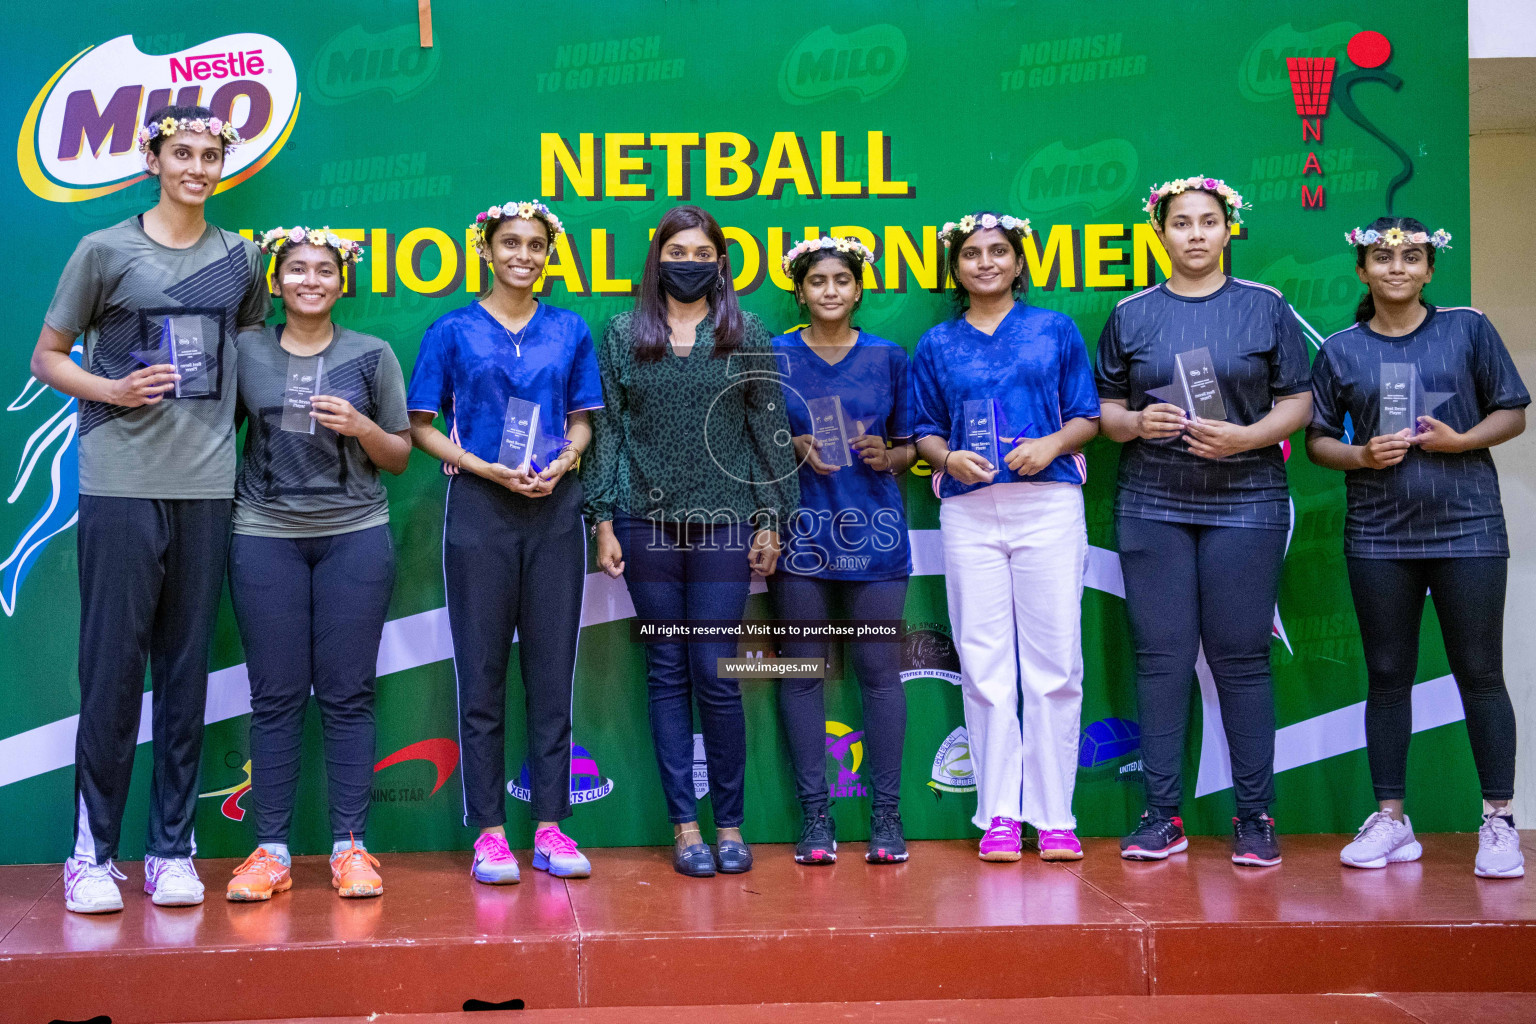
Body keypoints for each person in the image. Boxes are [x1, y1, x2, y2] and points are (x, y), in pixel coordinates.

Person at [32, 106, 270, 914]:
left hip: (207, 487)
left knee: (184, 674)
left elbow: (248, 353)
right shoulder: (104, 250)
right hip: (120, 483)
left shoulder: (242, 258)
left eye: (210, 155)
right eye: (182, 153)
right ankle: (91, 855)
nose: (197, 167)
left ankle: (172, 849)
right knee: (110, 673)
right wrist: (113, 389)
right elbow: (47, 355)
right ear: (154, 160)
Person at [1095, 176, 1312, 867]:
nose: (1195, 234)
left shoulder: (1265, 308)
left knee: (1241, 660)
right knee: (1160, 660)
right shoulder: (1131, 314)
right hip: (1151, 503)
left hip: (1246, 502)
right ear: (1160, 233)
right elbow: (1104, 412)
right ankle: (1162, 816)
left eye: (1208, 222)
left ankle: (1256, 818)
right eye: (1181, 222)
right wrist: (1134, 422)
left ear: (1228, 231)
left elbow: (1299, 401)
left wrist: (1247, 438)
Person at [1309, 218, 1527, 878]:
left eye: (1411, 256)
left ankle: (1499, 821)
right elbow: (1319, 440)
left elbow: (1513, 410)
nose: (1397, 266)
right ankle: (1392, 821)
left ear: (1430, 269)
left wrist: (1461, 441)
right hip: (1378, 535)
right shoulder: (1341, 350)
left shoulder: (1467, 328)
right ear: (1362, 270)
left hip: (1469, 531)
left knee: (1480, 673)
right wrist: (1359, 453)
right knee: (1386, 675)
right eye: (1382, 256)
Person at [584, 205, 798, 877]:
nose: (690, 263)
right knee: (668, 671)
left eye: (703, 254)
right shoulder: (622, 333)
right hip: (645, 525)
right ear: (657, 259)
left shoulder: (746, 332)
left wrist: (772, 520)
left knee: (715, 671)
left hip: (725, 525)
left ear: (721, 263)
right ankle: (685, 829)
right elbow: (611, 432)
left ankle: (730, 825)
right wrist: (603, 519)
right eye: (678, 251)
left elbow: (768, 433)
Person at [408, 201, 602, 884]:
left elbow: (583, 422)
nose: (524, 254)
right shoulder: (453, 329)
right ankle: (490, 832)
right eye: (510, 243)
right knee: (482, 674)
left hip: (554, 509)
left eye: (536, 245)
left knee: (552, 675)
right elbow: (421, 426)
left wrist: (566, 461)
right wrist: (485, 466)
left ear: (551, 254)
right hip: (479, 511)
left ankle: (550, 828)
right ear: (486, 249)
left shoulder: (569, 329)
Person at [223, 227, 410, 901]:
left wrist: (360, 427)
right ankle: (269, 851)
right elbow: (215, 436)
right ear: (275, 282)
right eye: (296, 269)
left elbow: (398, 454)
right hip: (263, 535)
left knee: (347, 694)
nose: (309, 280)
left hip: (355, 537)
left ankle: (350, 848)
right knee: (274, 697)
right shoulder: (245, 350)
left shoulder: (372, 353)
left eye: (323, 270)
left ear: (342, 282)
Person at [912, 212, 1100, 863]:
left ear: (1019, 262)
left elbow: (1088, 415)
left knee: (1055, 666)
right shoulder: (936, 344)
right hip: (969, 512)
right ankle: (998, 813)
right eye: (971, 253)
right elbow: (924, 428)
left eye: (998, 251)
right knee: (985, 663)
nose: (986, 261)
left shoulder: (1055, 329)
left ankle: (1054, 817)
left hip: (1049, 505)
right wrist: (947, 459)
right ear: (955, 268)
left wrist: (1050, 443)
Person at [770, 236, 916, 865]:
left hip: (875, 539)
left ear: (860, 290)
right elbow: (750, 438)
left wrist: (894, 455)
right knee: (801, 676)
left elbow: (914, 443)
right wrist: (793, 444)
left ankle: (886, 820)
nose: (830, 291)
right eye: (818, 282)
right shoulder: (771, 355)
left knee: (880, 676)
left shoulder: (889, 357)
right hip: (798, 539)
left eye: (842, 281)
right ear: (799, 292)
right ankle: (814, 822)